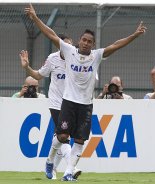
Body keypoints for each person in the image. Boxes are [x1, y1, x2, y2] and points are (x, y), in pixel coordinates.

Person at [25, 4, 146, 181]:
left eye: (90, 41)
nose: (86, 43)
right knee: (63, 136)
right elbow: (50, 33)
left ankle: (68, 172)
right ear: (79, 40)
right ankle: (50, 160)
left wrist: (134, 35)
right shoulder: (69, 51)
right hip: (68, 101)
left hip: (86, 104)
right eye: (84, 40)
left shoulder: (96, 56)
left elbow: (116, 45)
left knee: (80, 141)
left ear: (93, 44)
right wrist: (35, 18)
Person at [19, 34, 82, 180]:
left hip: (71, 103)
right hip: (56, 103)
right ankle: (71, 169)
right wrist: (27, 66)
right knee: (65, 136)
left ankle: (50, 164)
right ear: (59, 46)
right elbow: (38, 75)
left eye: (71, 45)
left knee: (60, 137)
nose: (69, 48)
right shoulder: (52, 59)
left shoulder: (77, 59)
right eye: (65, 45)